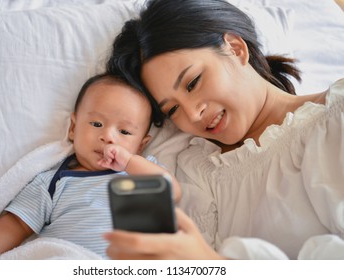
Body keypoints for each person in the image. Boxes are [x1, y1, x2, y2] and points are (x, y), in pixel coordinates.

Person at [104, 0, 344, 259]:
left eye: (193, 83)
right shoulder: (195, 169)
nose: (193, 115)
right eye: (172, 110)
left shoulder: (334, 119)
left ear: (235, 48)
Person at [0, 73, 182, 260]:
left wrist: (129, 162)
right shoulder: (54, 181)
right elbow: (17, 224)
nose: (108, 136)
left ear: (141, 145)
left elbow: (171, 191)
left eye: (124, 132)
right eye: (97, 124)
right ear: (73, 128)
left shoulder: (142, 172)